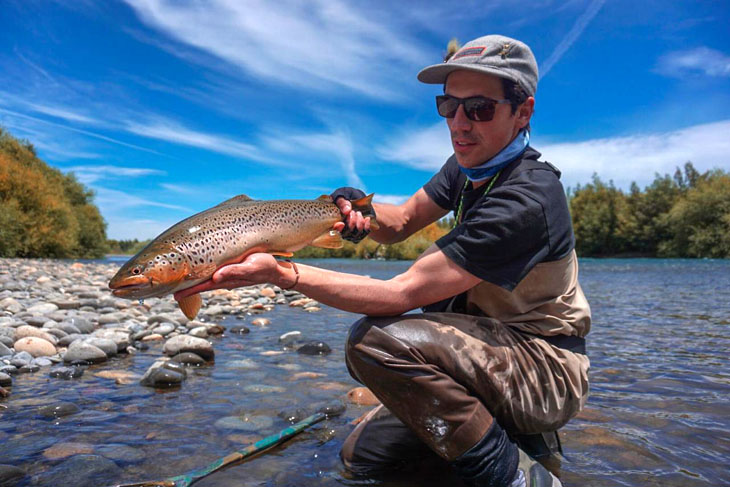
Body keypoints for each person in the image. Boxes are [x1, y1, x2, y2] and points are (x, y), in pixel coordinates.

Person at [176, 34, 590, 487]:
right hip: (484, 354)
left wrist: (280, 273)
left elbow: (401, 295)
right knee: (365, 457)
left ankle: (517, 473)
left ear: (522, 111)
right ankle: (488, 434)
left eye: (479, 108)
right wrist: (358, 210)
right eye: (448, 106)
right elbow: (403, 221)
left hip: (543, 370)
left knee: (375, 340)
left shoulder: (527, 197)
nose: (459, 124)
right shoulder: (469, 166)